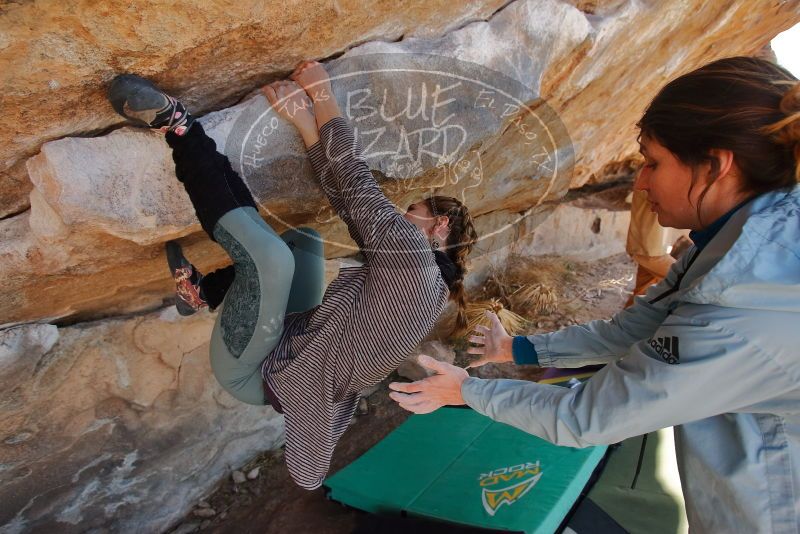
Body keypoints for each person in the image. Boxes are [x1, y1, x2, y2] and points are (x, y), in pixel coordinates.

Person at [388, 56, 800, 532]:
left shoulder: (742, 308)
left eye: (653, 162)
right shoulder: (738, 248)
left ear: (715, 165)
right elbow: (636, 328)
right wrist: (516, 347)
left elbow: (587, 418)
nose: (640, 182)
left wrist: (467, 391)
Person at [107, 59, 478, 490]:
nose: (399, 213)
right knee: (302, 242)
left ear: (439, 226)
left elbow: (354, 176)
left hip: (257, 371)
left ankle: (178, 128)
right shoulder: (429, 281)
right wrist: (303, 120)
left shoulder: (412, 257)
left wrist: (322, 92)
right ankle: (203, 293)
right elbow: (344, 197)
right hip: (292, 343)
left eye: (412, 210)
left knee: (271, 258)